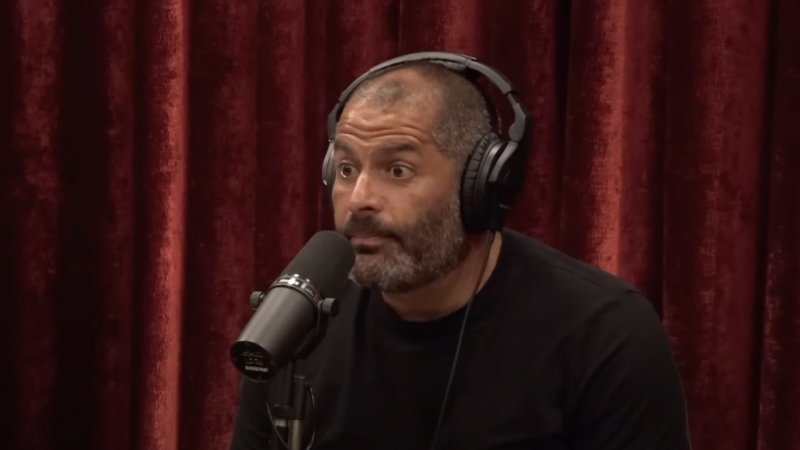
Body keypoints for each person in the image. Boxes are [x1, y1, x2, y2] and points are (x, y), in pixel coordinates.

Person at [230, 52, 692, 450]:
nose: (359, 200)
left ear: (481, 187)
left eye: (398, 170)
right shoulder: (296, 324)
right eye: (347, 169)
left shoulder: (605, 337)